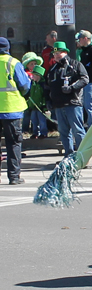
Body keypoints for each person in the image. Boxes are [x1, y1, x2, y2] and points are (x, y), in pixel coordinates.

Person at [45, 41, 88, 156]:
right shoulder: (53, 69)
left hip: (73, 103)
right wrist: (48, 100)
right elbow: (48, 86)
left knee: (78, 131)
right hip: (58, 105)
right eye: (55, 53)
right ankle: (68, 156)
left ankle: (81, 156)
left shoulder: (75, 65)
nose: (57, 55)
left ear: (65, 52)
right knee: (64, 133)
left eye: (59, 52)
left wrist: (72, 88)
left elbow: (84, 79)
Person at [0, 37, 31, 185]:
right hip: (12, 109)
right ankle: (14, 176)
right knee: (13, 143)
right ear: (8, 48)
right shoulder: (13, 62)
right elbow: (24, 85)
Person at [76, 30, 92, 128]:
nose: (78, 41)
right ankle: (88, 123)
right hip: (86, 81)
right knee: (85, 104)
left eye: (80, 39)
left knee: (90, 104)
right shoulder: (83, 51)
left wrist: (87, 75)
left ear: (85, 38)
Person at [27, 65, 49, 139]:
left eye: (34, 75)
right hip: (33, 105)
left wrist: (43, 105)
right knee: (34, 120)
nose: (32, 77)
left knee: (42, 120)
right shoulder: (32, 84)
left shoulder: (43, 85)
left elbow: (44, 96)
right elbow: (31, 95)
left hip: (40, 106)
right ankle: (35, 132)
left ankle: (43, 133)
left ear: (39, 76)